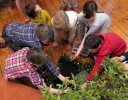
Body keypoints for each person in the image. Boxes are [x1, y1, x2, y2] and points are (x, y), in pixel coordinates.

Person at [4, 47, 69, 94]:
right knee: (32, 79)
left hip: (11, 60)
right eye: (41, 64)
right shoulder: (29, 71)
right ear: (32, 63)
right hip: (12, 71)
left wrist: (63, 78)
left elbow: (49, 64)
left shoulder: (28, 50)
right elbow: (43, 87)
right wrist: (63, 91)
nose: (43, 64)